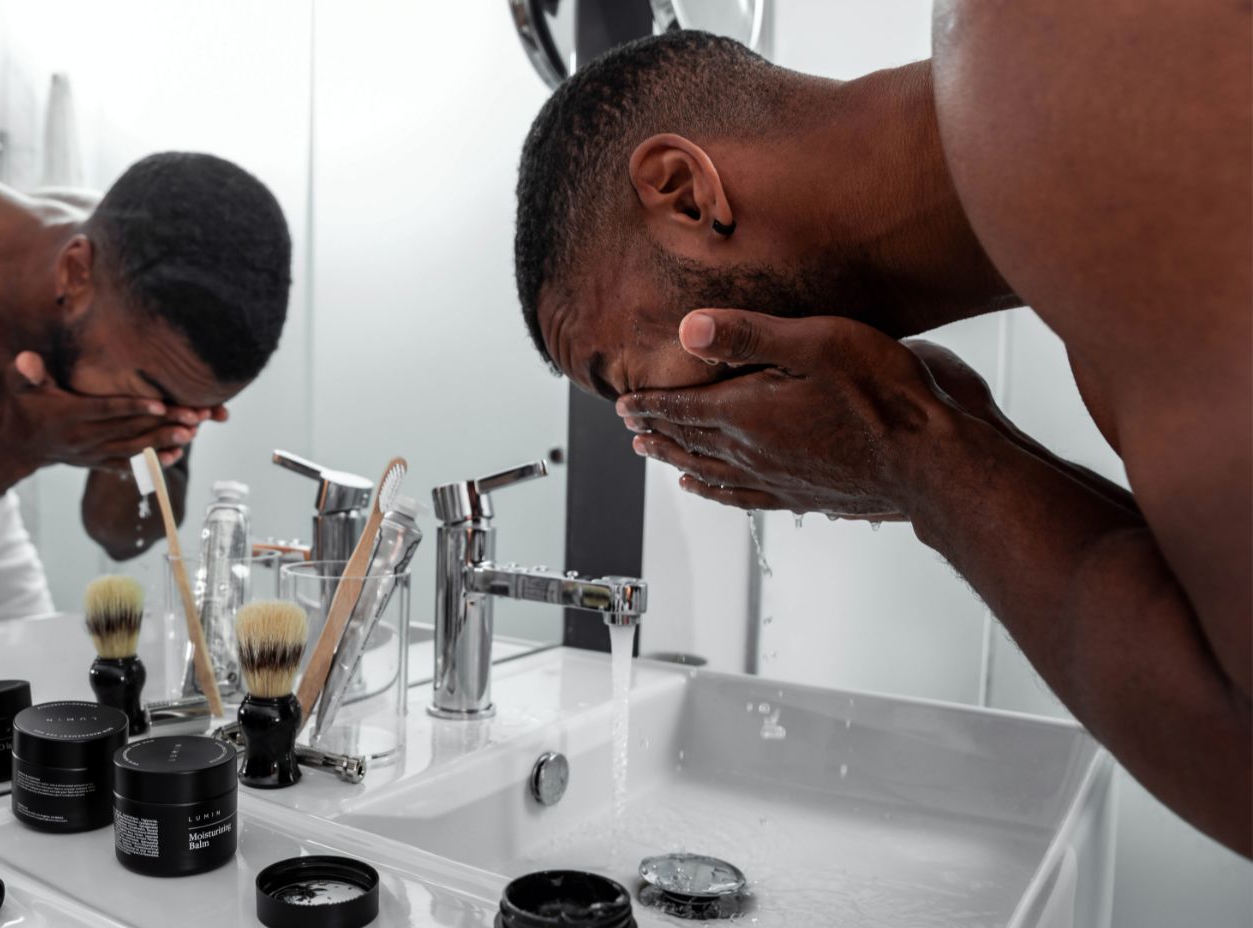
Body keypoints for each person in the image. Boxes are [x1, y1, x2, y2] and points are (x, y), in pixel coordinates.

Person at [514, 23, 1251, 856]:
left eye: (624, 378)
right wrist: (953, 430)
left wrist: (918, 458)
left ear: (684, 191)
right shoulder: (1090, 257)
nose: (650, 420)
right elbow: (1206, 625)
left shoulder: (1059, 66)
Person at [0, 151, 292, 639]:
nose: (166, 417)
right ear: (74, 273)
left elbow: (124, 535)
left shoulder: (161, 302)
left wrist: (138, 444)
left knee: (41, 702)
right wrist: (14, 446)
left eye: (191, 410)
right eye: (159, 397)